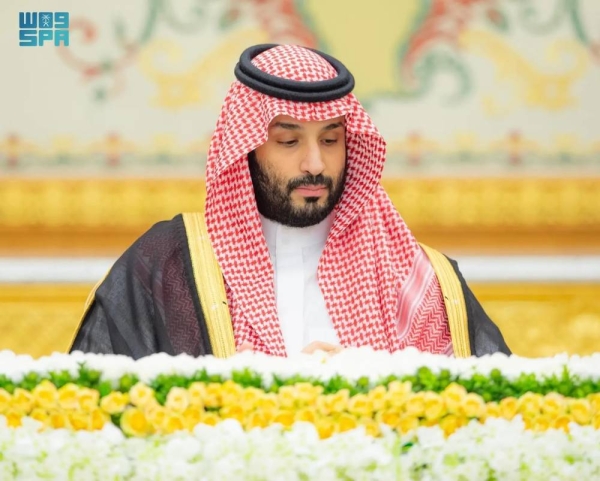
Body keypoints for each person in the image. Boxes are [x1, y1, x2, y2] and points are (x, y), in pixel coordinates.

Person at [70, 44, 510, 359]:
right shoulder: (169, 264)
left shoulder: (420, 280)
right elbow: (98, 414)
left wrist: (367, 387)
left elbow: (482, 421)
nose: (316, 163)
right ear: (247, 147)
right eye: (288, 140)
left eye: (332, 139)